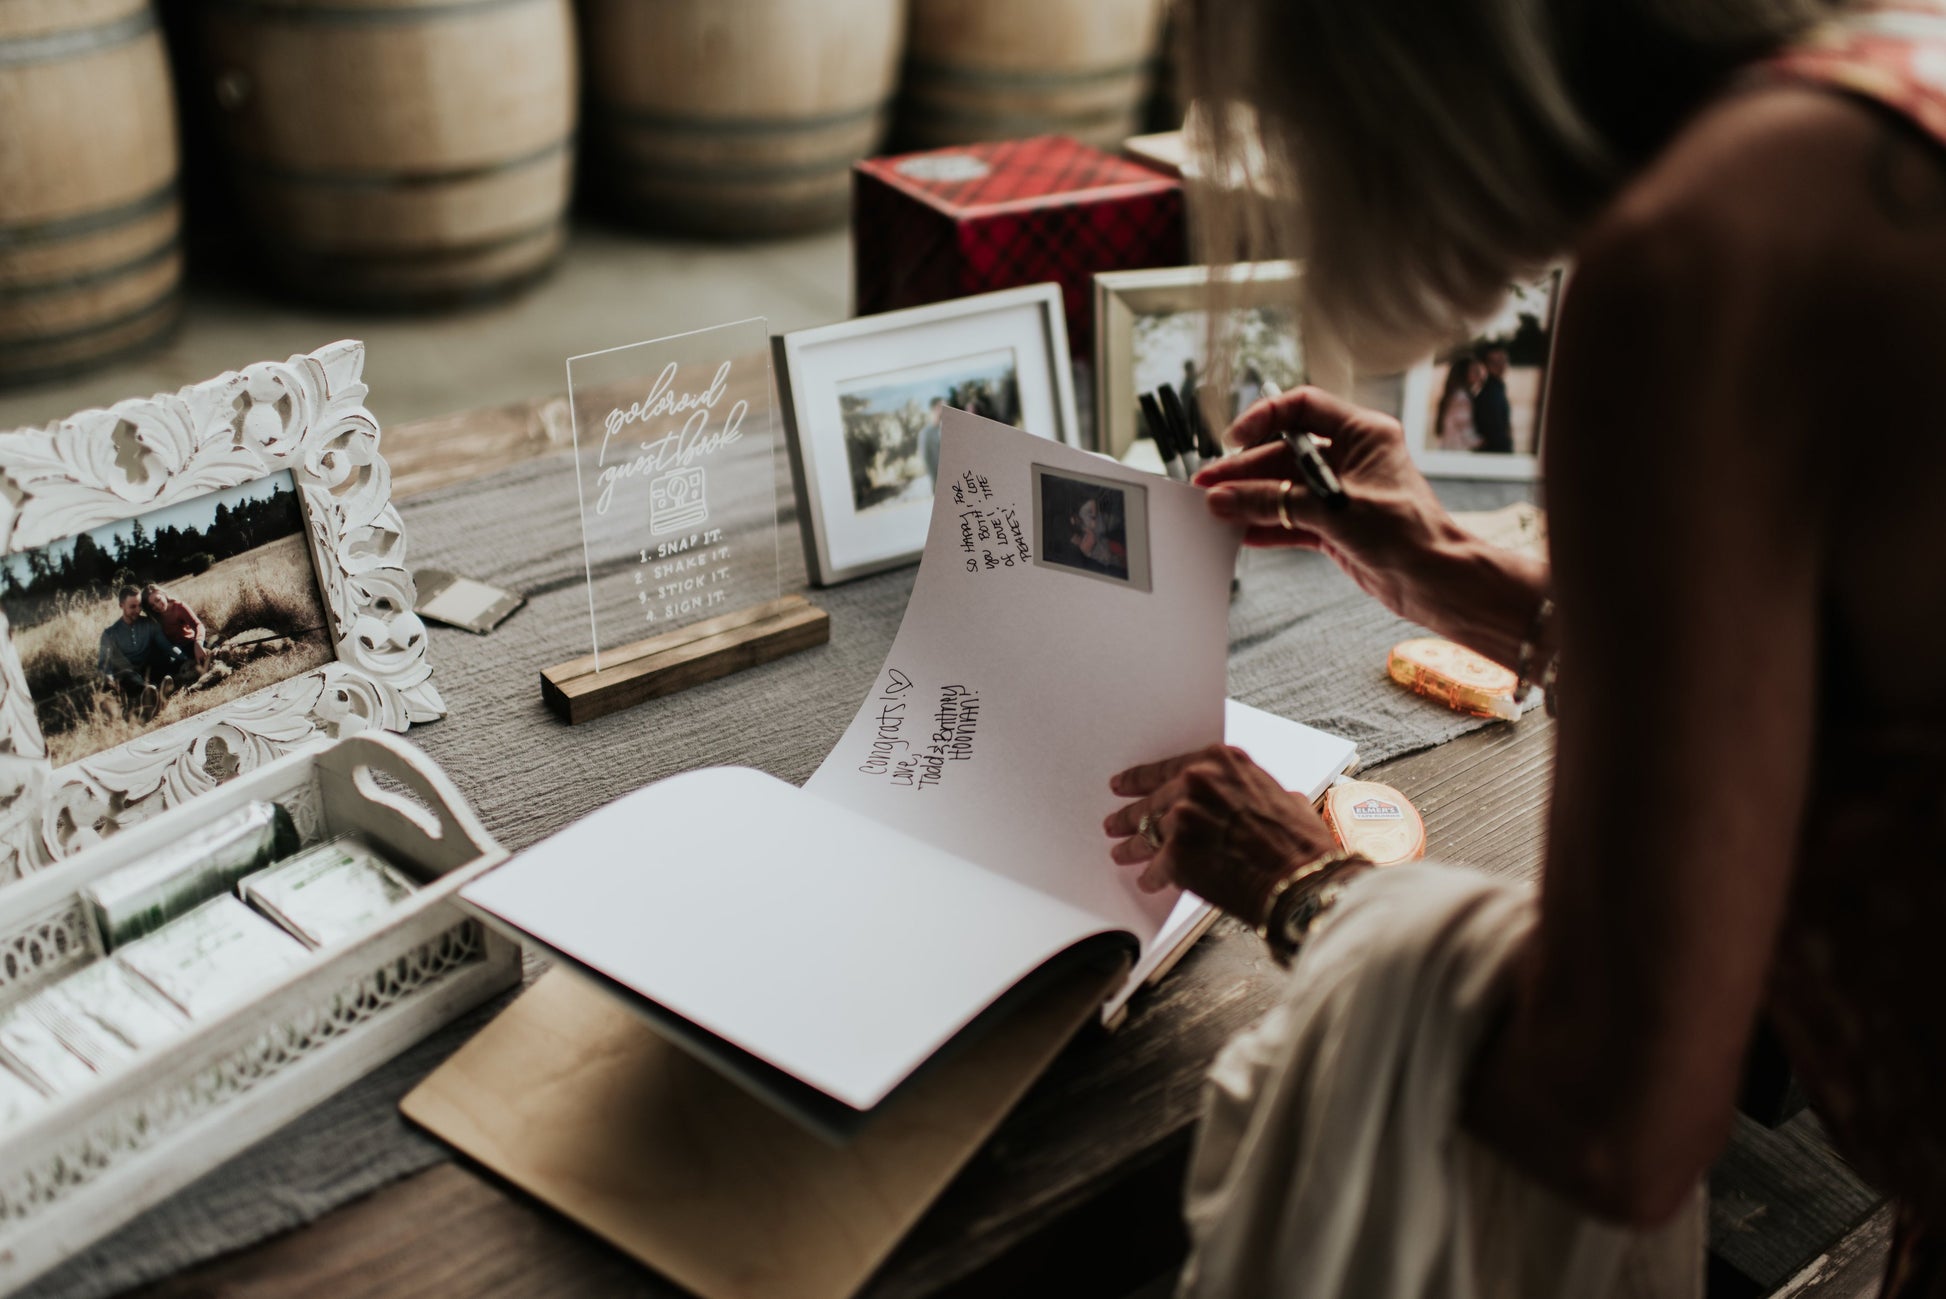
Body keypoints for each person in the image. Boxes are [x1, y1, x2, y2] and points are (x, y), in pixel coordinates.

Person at [1106, 0, 1946, 1294]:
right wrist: (1451, 573)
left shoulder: (1690, 253)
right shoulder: (1891, 86)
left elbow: (1614, 1108)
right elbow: (1844, 668)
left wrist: (1308, 885)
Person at [97, 585, 188, 718]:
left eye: (139, 605)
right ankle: (151, 695)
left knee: (163, 658)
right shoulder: (110, 633)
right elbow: (104, 663)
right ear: (121, 605)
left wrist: (184, 657)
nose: (138, 610)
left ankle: (157, 694)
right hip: (131, 675)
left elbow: (166, 646)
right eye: (132, 607)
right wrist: (108, 677)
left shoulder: (149, 623)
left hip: (150, 669)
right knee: (125, 673)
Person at [142, 583, 209, 672]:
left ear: (163, 594)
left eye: (158, 600)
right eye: (152, 606)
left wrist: (198, 643)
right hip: (173, 651)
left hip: (189, 643)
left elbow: (198, 625)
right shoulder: (154, 617)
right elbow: (164, 644)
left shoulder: (178, 607)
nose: (157, 606)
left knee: (208, 653)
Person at [1435, 355, 1486, 451]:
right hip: (1457, 449)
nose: (1478, 374)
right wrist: (1478, 441)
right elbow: (1463, 425)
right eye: (1474, 371)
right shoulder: (1461, 397)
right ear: (1463, 373)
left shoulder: (1455, 394)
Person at [1471, 346, 1514, 453]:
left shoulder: (1496, 389)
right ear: (1487, 365)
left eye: (1504, 360)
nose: (1502, 365)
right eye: (1496, 362)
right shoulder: (1491, 393)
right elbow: (1495, 432)